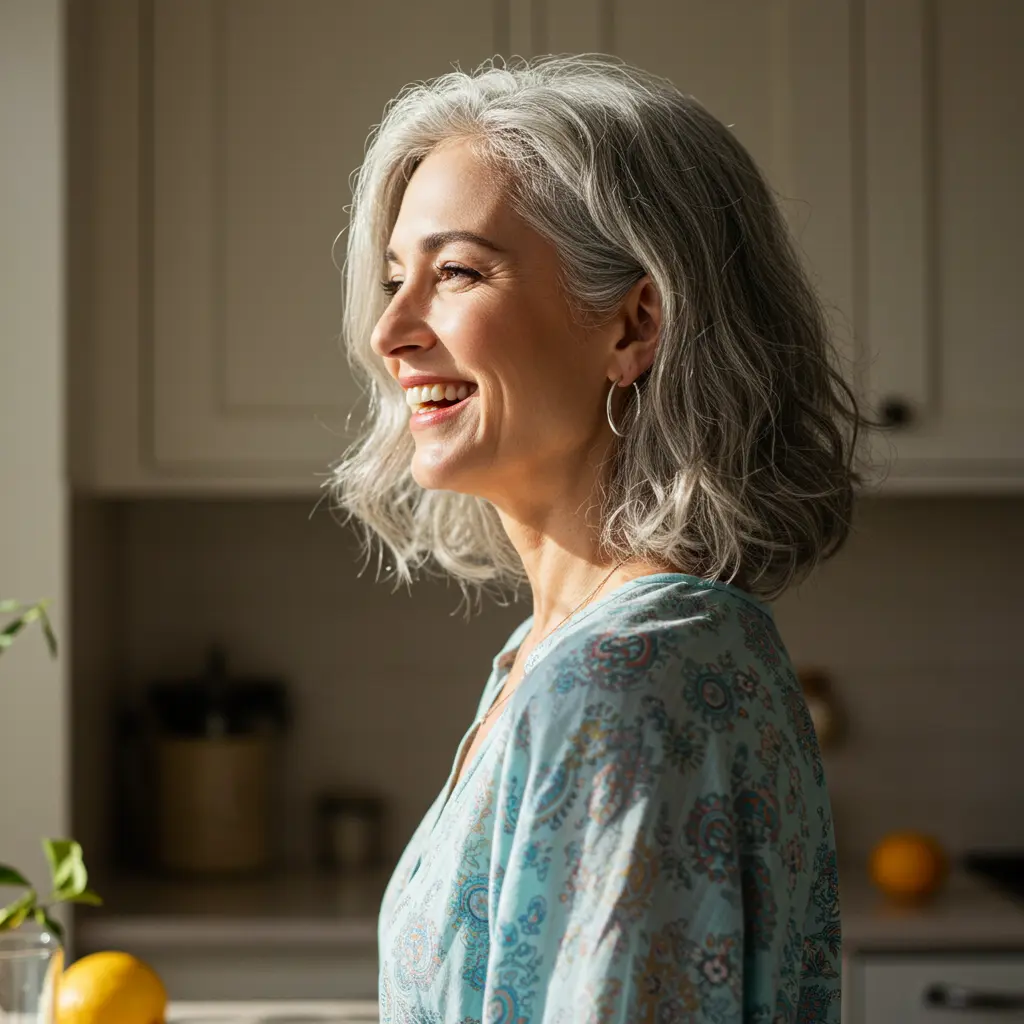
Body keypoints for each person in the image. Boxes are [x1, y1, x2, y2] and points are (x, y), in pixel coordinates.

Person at [330, 54, 858, 1024]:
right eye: (396, 277)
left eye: (454, 272)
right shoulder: (564, 656)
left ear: (633, 324)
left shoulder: (624, 676)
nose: (389, 331)